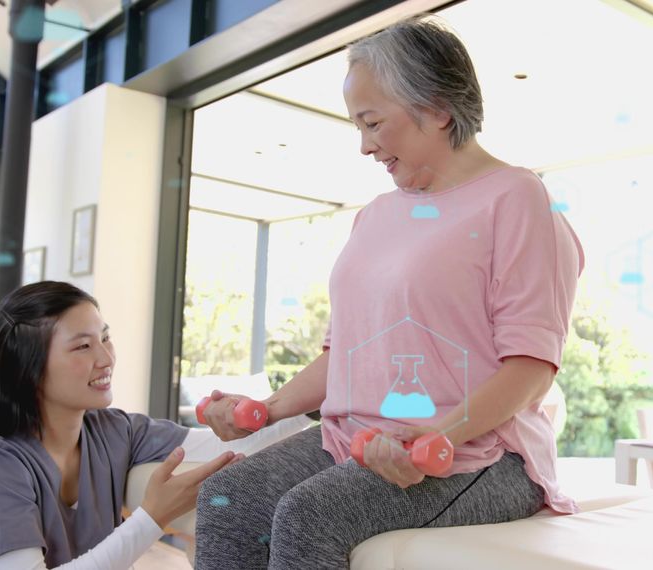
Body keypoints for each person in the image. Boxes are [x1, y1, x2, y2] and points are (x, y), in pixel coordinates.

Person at [194, 14, 585, 569]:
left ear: (437, 108)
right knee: (227, 499)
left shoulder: (519, 199)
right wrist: (269, 406)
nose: (364, 146)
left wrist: (437, 435)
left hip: (478, 455)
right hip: (355, 440)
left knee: (310, 516)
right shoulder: (375, 216)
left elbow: (531, 367)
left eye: (373, 124)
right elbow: (344, 357)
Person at [0, 281, 310, 569]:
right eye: (82, 346)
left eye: (106, 337)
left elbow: (226, 446)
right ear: (27, 368)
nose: (105, 357)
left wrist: (306, 406)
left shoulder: (113, 431)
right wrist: (152, 518)